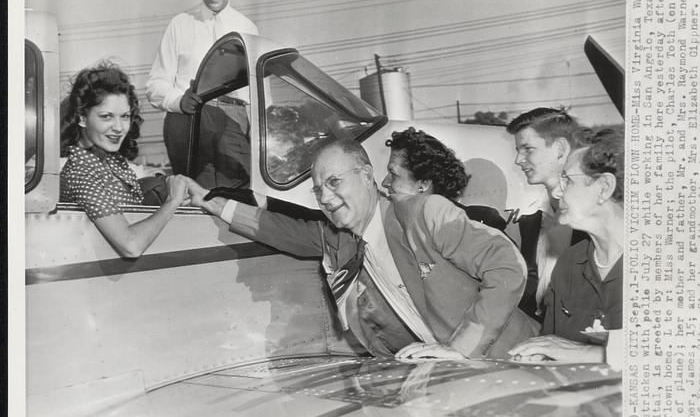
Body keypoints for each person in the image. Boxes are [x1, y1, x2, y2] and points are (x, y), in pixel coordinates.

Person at [186, 139, 539, 361]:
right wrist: (214, 205)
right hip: (446, 376)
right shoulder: (339, 239)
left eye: (335, 182)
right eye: (318, 189)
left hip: (514, 359)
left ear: (368, 176)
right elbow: (282, 231)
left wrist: (459, 350)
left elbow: (508, 268)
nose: (325, 197)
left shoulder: (425, 212)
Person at [507, 126, 624, 364]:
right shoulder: (570, 261)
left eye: (568, 180)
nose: (558, 192)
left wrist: (593, 354)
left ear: (604, 187)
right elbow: (552, 344)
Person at [146, 0, 259, 188]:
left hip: (234, 120)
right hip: (189, 120)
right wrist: (179, 102)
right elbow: (156, 85)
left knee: (238, 195)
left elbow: (258, 90)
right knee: (195, 195)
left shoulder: (247, 27)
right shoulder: (180, 23)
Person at [60, 63, 189, 258]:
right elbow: (131, 245)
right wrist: (173, 201)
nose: (119, 128)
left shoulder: (111, 161)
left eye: (125, 116)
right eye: (107, 117)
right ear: (82, 118)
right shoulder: (81, 171)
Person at [505, 107, 590, 318]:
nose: (518, 159)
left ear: (560, 148)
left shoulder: (594, 212)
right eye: (518, 150)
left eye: (527, 149)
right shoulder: (533, 220)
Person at [381, 127, 506, 230]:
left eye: (393, 174)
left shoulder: (472, 226)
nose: (384, 183)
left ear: (424, 184)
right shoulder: (397, 225)